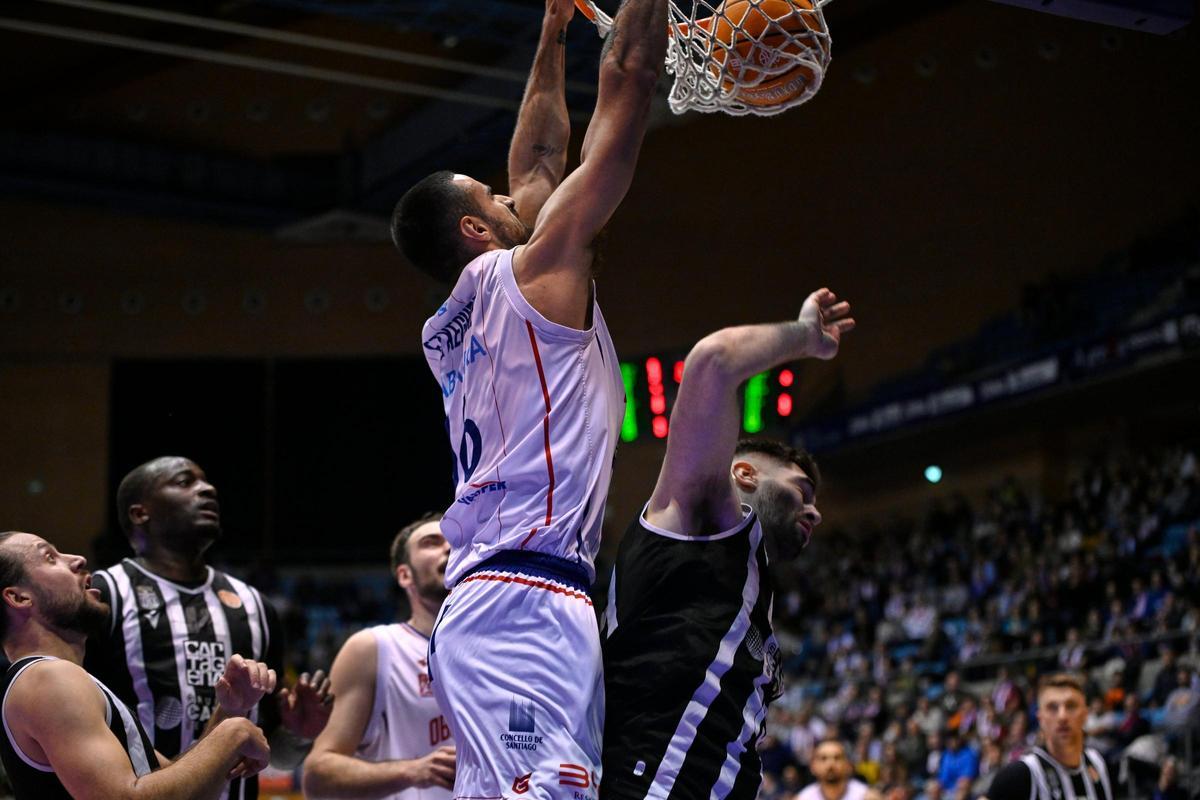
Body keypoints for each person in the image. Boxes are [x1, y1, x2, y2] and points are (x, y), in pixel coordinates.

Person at [395, 0, 670, 792]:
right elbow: (625, 94)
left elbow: (539, 168)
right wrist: (636, 31)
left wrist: (550, 37)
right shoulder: (533, 273)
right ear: (480, 230)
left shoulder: (456, 319)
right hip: (523, 600)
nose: (519, 193)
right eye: (493, 196)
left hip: (514, 595)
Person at [602, 288, 856, 798]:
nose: (815, 510)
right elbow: (714, 361)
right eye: (801, 490)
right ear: (742, 474)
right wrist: (806, 337)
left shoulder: (750, 580)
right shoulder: (699, 519)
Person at [84, 455, 332, 800]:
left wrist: (299, 735)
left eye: (206, 482)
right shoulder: (102, 594)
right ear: (141, 513)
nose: (208, 489)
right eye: (185, 482)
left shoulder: (255, 606)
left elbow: (277, 756)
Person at [0, 530, 275, 800]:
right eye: (50, 557)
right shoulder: (49, 678)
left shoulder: (56, 679)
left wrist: (228, 713)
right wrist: (232, 734)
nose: (77, 559)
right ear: (19, 598)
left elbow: (177, 786)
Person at [303, 513, 456, 799]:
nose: (449, 548)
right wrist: (415, 771)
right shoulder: (375, 647)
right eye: (431, 543)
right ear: (404, 574)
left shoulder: (500, 652)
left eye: (455, 541)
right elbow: (317, 775)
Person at [982, 673, 1114, 800]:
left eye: (1071, 706)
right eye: (1052, 708)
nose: (1062, 716)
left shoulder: (1098, 762)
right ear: (1040, 718)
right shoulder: (1021, 773)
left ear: (1085, 714)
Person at [796, 737, 880, 800]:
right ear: (813, 767)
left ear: (848, 765)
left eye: (837, 758)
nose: (830, 764)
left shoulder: (867, 797)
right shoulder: (803, 798)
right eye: (823, 758)